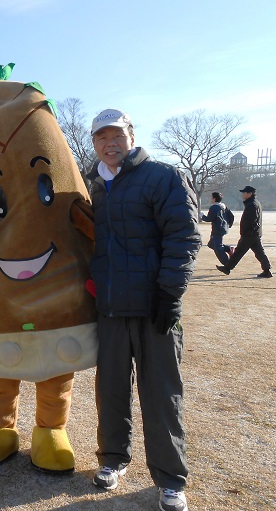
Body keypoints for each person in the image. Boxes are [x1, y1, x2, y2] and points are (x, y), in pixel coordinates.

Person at [86, 109, 201, 511]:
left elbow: (184, 237)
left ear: (131, 136)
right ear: (94, 143)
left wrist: (170, 294)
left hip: (155, 307)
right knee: (111, 389)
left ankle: (170, 480)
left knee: (161, 393)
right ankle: (112, 460)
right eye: (101, 137)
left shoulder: (163, 176)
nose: (109, 143)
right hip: (111, 307)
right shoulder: (92, 185)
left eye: (116, 134)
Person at [216, 186, 272, 278]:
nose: (243, 194)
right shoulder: (254, 203)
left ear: (250, 193)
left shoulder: (252, 204)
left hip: (249, 234)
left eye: (244, 192)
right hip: (254, 233)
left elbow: (250, 220)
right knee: (259, 253)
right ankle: (267, 270)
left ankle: (227, 268)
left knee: (239, 252)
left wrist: (244, 231)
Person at [201, 191, 232, 265]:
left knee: (218, 247)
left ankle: (227, 264)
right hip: (222, 228)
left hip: (217, 229)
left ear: (214, 199)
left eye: (211, 198)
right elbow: (231, 216)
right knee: (211, 244)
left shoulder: (214, 207)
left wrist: (202, 216)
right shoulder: (224, 206)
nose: (210, 199)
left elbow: (209, 218)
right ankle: (229, 249)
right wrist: (228, 225)